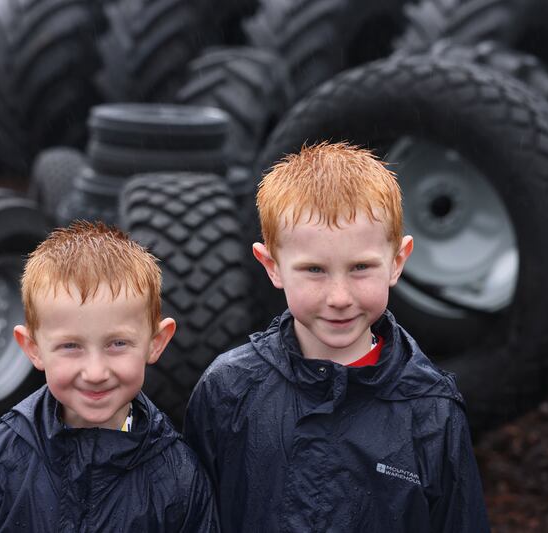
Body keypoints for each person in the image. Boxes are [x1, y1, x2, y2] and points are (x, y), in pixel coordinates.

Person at [184, 142, 490, 532]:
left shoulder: (430, 409)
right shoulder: (227, 390)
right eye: (314, 270)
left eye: (360, 267)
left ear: (398, 261)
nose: (339, 298)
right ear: (272, 266)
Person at [0, 221, 219, 532]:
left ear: (156, 343)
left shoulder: (178, 478)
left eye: (117, 344)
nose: (94, 373)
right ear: (33, 348)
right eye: (70, 346)